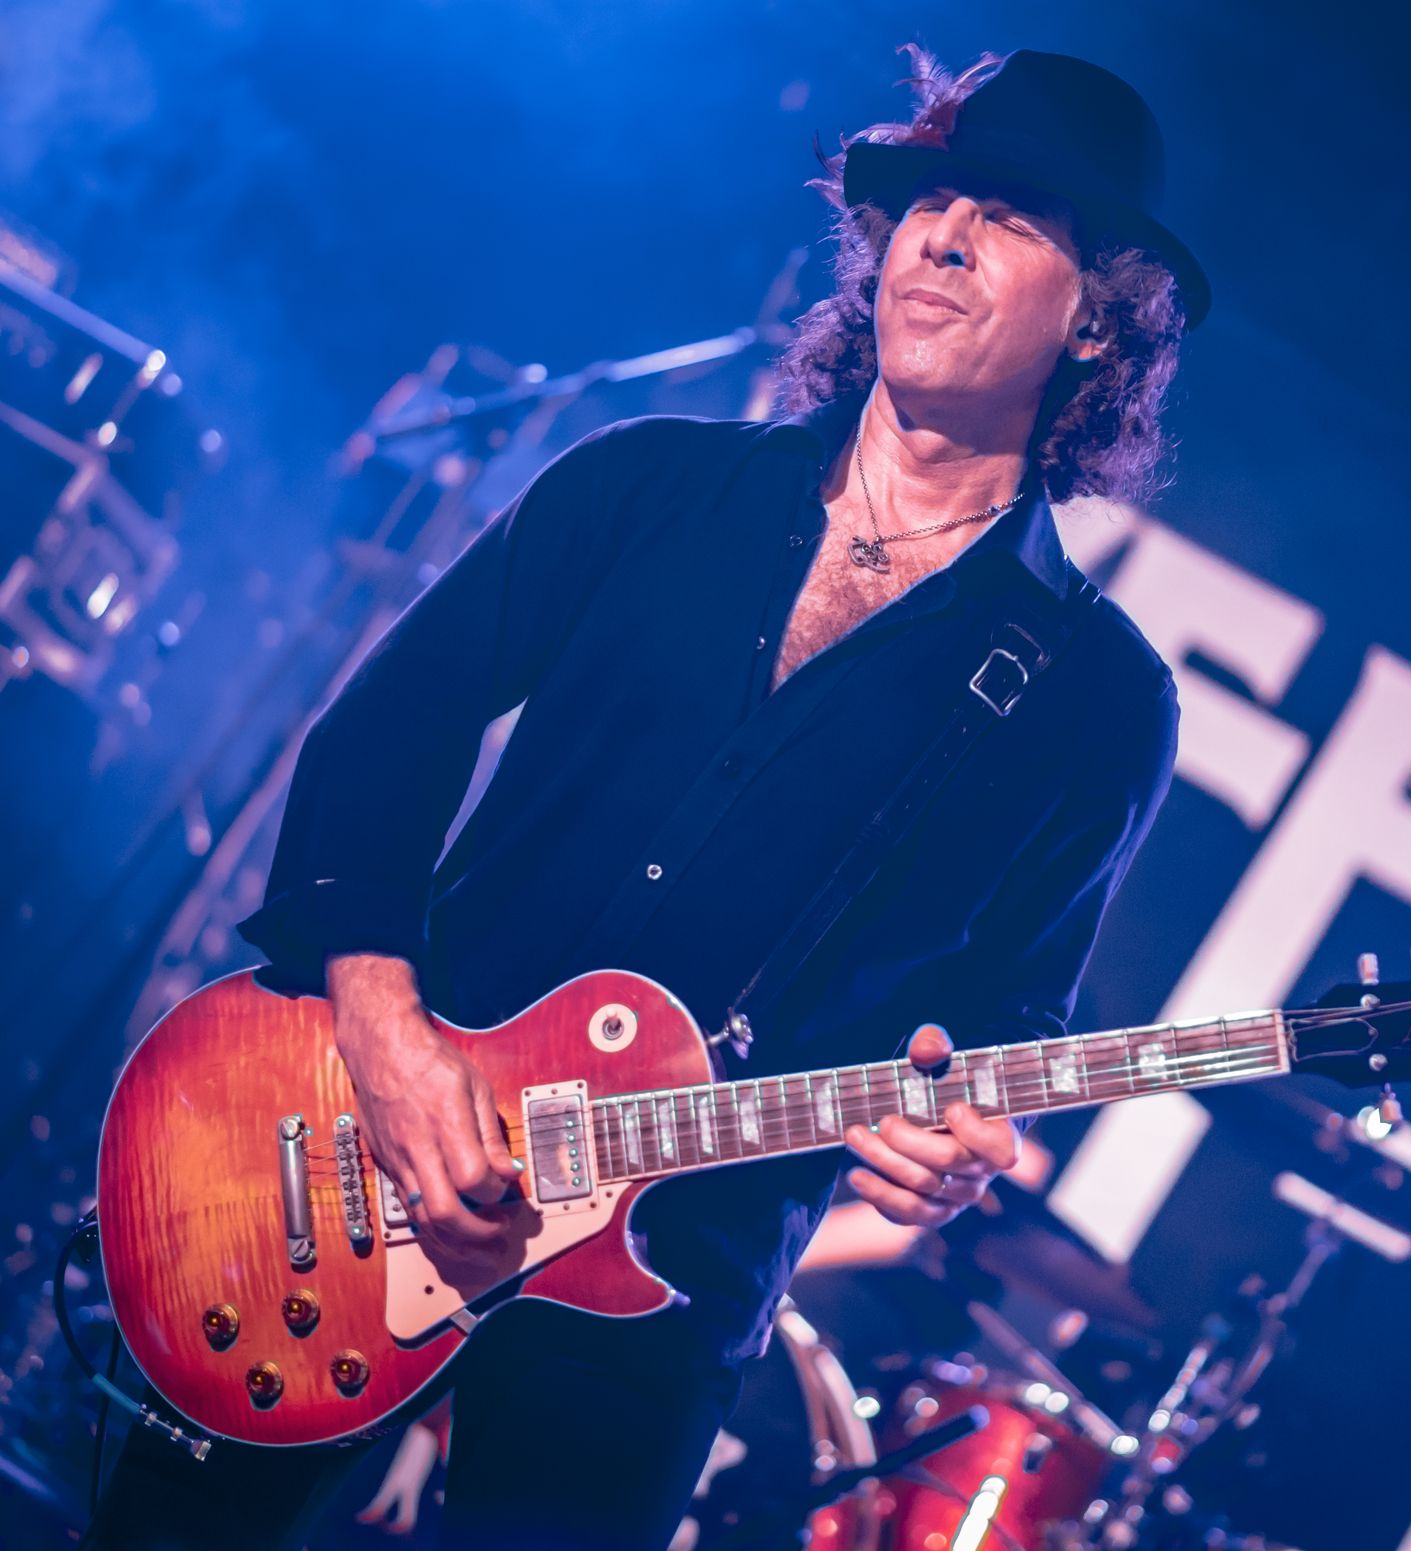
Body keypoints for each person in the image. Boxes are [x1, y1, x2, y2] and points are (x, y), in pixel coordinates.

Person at [84, 44, 1208, 1550]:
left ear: (1099, 321)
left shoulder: (1091, 699)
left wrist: (945, 1138)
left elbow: (1005, 1022)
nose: (941, 235)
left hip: (664, 1284)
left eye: (1010, 218)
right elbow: (383, 739)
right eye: (932, 199)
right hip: (362, 1145)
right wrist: (389, 1038)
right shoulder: (648, 487)